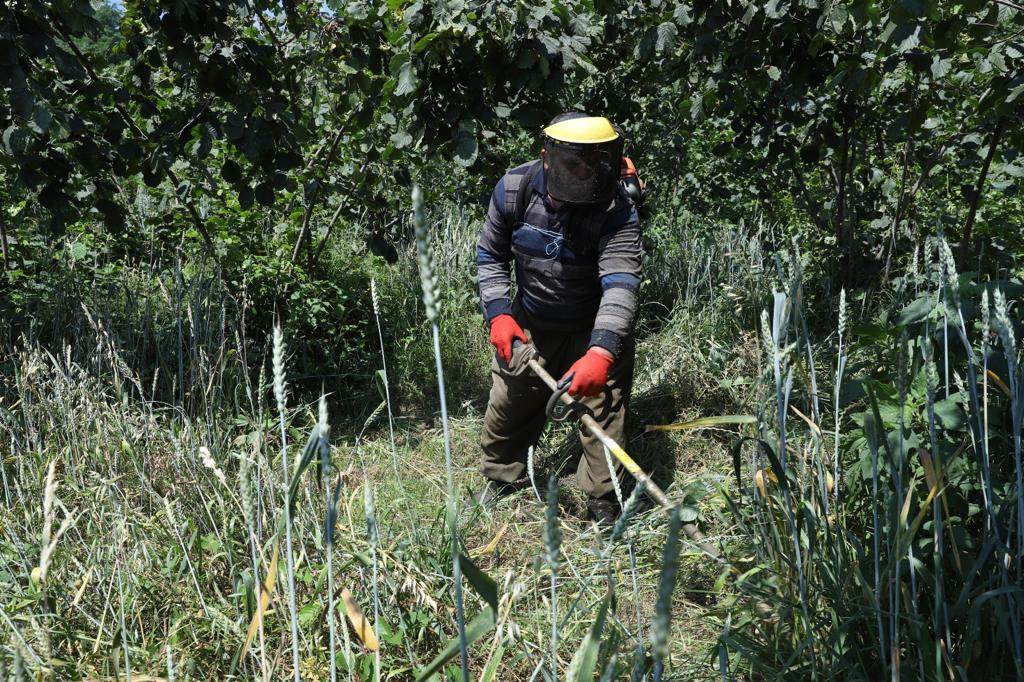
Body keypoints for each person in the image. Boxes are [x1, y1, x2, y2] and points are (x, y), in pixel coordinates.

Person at [473, 112, 644, 524]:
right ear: (547, 156)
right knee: (508, 400)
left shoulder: (616, 207)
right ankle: (501, 477)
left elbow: (620, 285)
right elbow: (490, 256)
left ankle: (604, 500)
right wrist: (498, 313)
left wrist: (602, 352)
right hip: (531, 318)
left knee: (602, 415)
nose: (585, 172)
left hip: (591, 327)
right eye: (575, 162)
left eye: (595, 162)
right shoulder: (515, 188)